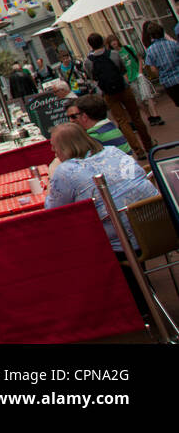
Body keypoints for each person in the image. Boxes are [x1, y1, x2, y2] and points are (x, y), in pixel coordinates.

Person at [44, 123, 159, 319]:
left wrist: (50, 185)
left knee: (70, 243)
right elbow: (136, 178)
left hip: (123, 241)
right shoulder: (114, 152)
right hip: (157, 224)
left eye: (55, 147)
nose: (53, 152)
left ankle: (116, 306)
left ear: (64, 148)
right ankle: (143, 294)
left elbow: (53, 210)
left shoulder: (67, 171)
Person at [86, 32, 154, 159]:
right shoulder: (113, 54)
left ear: (90, 45)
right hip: (123, 88)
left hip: (108, 94)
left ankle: (138, 150)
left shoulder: (89, 62)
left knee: (122, 121)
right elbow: (122, 70)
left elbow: (92, 77)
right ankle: (148, 145)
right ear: (102, 41)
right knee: (136, 117)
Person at [109, 34, 164, 127]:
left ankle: (156, 115)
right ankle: (149, 116)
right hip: (129, 79)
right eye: (111, 42)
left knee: (147, 95)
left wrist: (140, 71)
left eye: (115, 40)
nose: (114, 43)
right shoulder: (114, 55)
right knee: (139, 100)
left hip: (138, 75)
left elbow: (138, 58)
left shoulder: (127, 48)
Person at [65, 94, 132, 155]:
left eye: (73, 116)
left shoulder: (94, 136)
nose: (70, 120)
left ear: (84, 116)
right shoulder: (109, 126)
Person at [143, 21, 179, 109]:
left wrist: (161, 77)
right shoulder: (173, 44)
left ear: (151, 36)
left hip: (168, 82)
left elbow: (153, 69)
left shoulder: (150, 50)